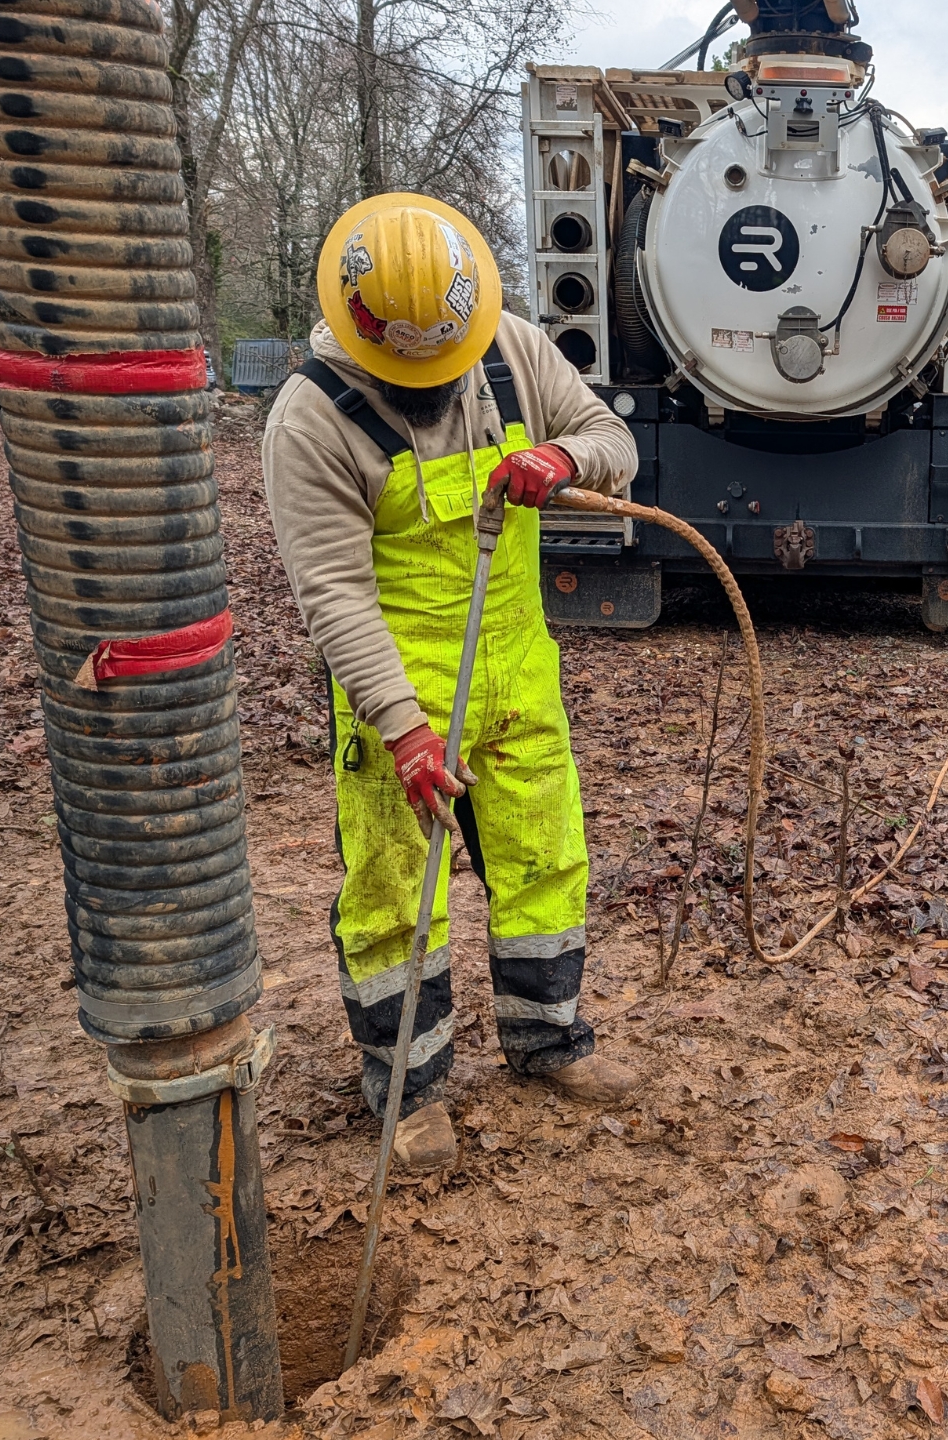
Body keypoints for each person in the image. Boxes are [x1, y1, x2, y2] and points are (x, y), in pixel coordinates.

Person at [261, 193, 640, 1161]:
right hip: (400, 688)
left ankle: (548, 1042)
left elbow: (616, 444)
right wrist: (402, 729)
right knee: (396, 894)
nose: (433, 379)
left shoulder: (509, 349)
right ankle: (411, 1090)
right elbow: (335, 596)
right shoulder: (310, 421)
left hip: (517, 672)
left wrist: (561, 457)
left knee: (545, 861)